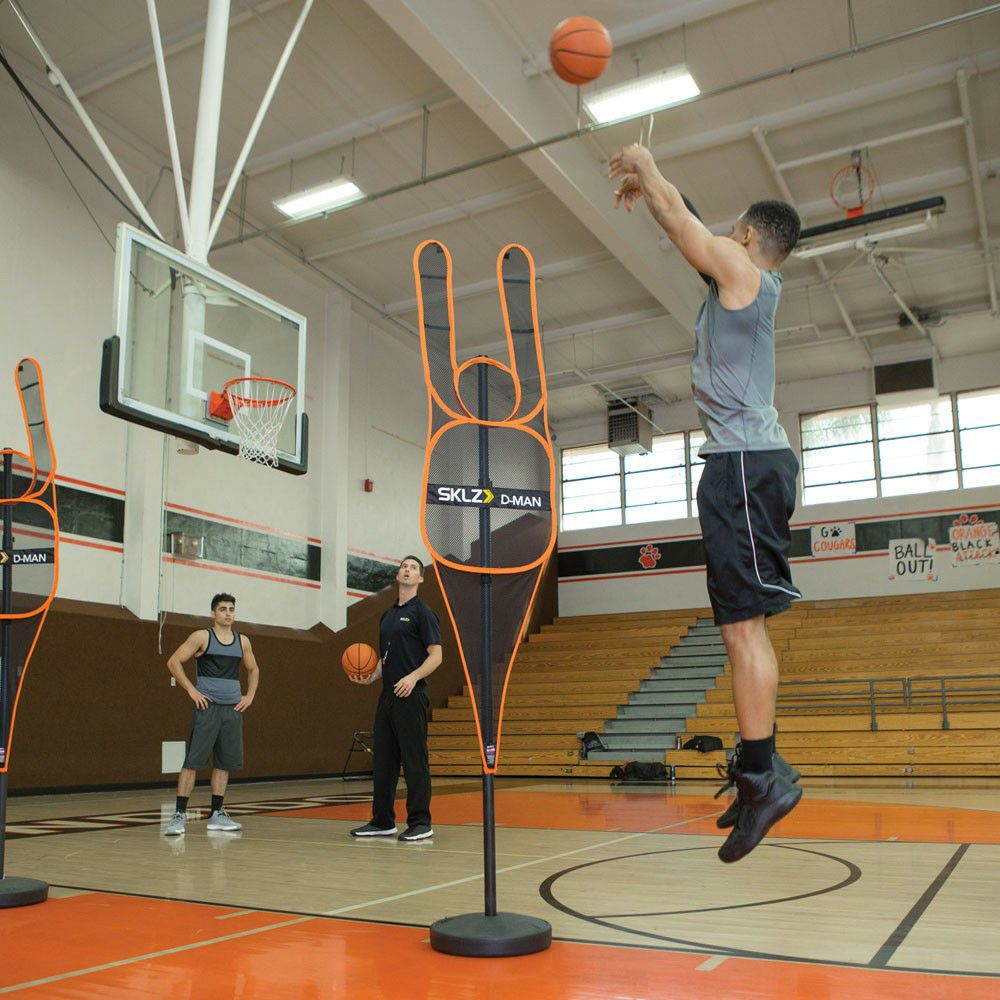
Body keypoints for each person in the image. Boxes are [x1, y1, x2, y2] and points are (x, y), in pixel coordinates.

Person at [610, 143, 803, 863]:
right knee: (737, 630)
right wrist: (657, 189)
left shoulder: (744, 273)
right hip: (740, 467)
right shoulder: (740, 282)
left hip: (745, 467)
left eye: (729, 230)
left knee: (744, 631)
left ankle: (763, 780)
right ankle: (764, 768)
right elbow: (685, 223)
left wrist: (645, 164)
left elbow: (680, 224)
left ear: (747, 237)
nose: (718, 236)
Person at [349, 556, 442, 842]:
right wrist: (370, 676)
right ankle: (382, 821)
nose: (407, 569)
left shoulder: (423, 613)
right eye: (404, 566)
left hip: (412, 695)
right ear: (398, 574)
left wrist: (413, 677)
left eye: (413, 567)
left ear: (420, 578)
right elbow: (385, 658)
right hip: (388, 696)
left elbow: (436, 656)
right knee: (384, 762)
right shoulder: (387, 616)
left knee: (414, 761)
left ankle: (421, 822)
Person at [163, 593, 260, 836]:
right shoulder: (202, 637)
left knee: (223, 764)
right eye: (223, 609)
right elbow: (174, 662)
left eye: (231, 609)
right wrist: (191, 690)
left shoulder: (243, 641)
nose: (228, 613)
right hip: (207, 708)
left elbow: (253, 669)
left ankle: (216, 814)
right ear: (213, 613)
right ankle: (179, 815)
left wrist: (249, 696)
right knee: (192, 762)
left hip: (232, 710)